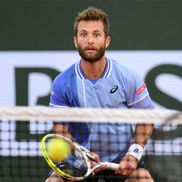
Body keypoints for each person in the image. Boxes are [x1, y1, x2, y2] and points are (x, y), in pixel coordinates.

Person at [46, 6, 154, 182]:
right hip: (80, 163)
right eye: (84, 34)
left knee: (143, 179)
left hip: (121, 161)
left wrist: (134, 154)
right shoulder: (62, 82)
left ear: (107, 41)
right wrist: (80, 155)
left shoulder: (128, 77)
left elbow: (147, 117)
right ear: (75, 41)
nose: (90, 40)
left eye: (96, 34)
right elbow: (60, 130)